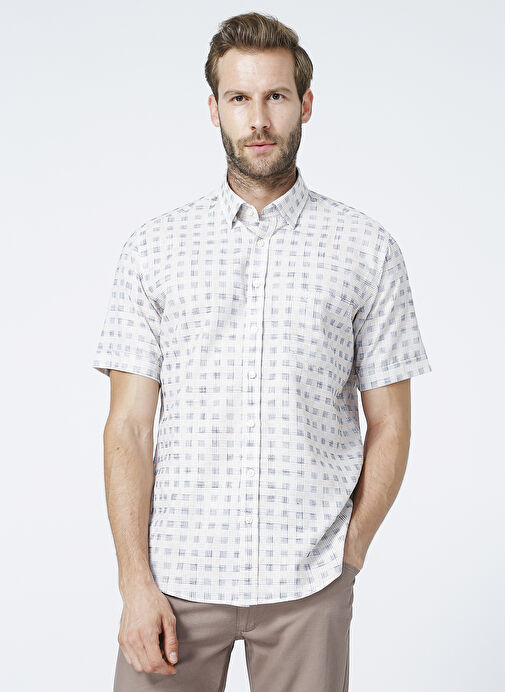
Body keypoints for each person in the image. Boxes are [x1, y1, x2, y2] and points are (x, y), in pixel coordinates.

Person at [92, 11, 432, 692]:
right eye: (238, 98)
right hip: (175, 582)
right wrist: (134, 582)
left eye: (275, 96)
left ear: (305, 103)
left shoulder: (366, 249)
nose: (257, 120)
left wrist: (349, 553)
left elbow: (391, 423)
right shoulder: (153, 249)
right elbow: (127, 427)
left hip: (309, 582)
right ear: (213, 108)